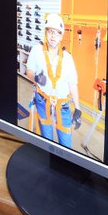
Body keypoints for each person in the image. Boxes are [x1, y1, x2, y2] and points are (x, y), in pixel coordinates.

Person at [25, 12, 81, 148]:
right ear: (46, 32)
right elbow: (29, 71)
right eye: (50, 31)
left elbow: (72, 84)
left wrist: (78, 109)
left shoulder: (68, 58)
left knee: (66, 143)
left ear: (61, 36)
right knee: (46, 137)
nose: (53, 36)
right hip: (42, 101)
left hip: (62, 105)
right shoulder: (36, 50)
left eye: (57, 33)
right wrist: (36, 78)